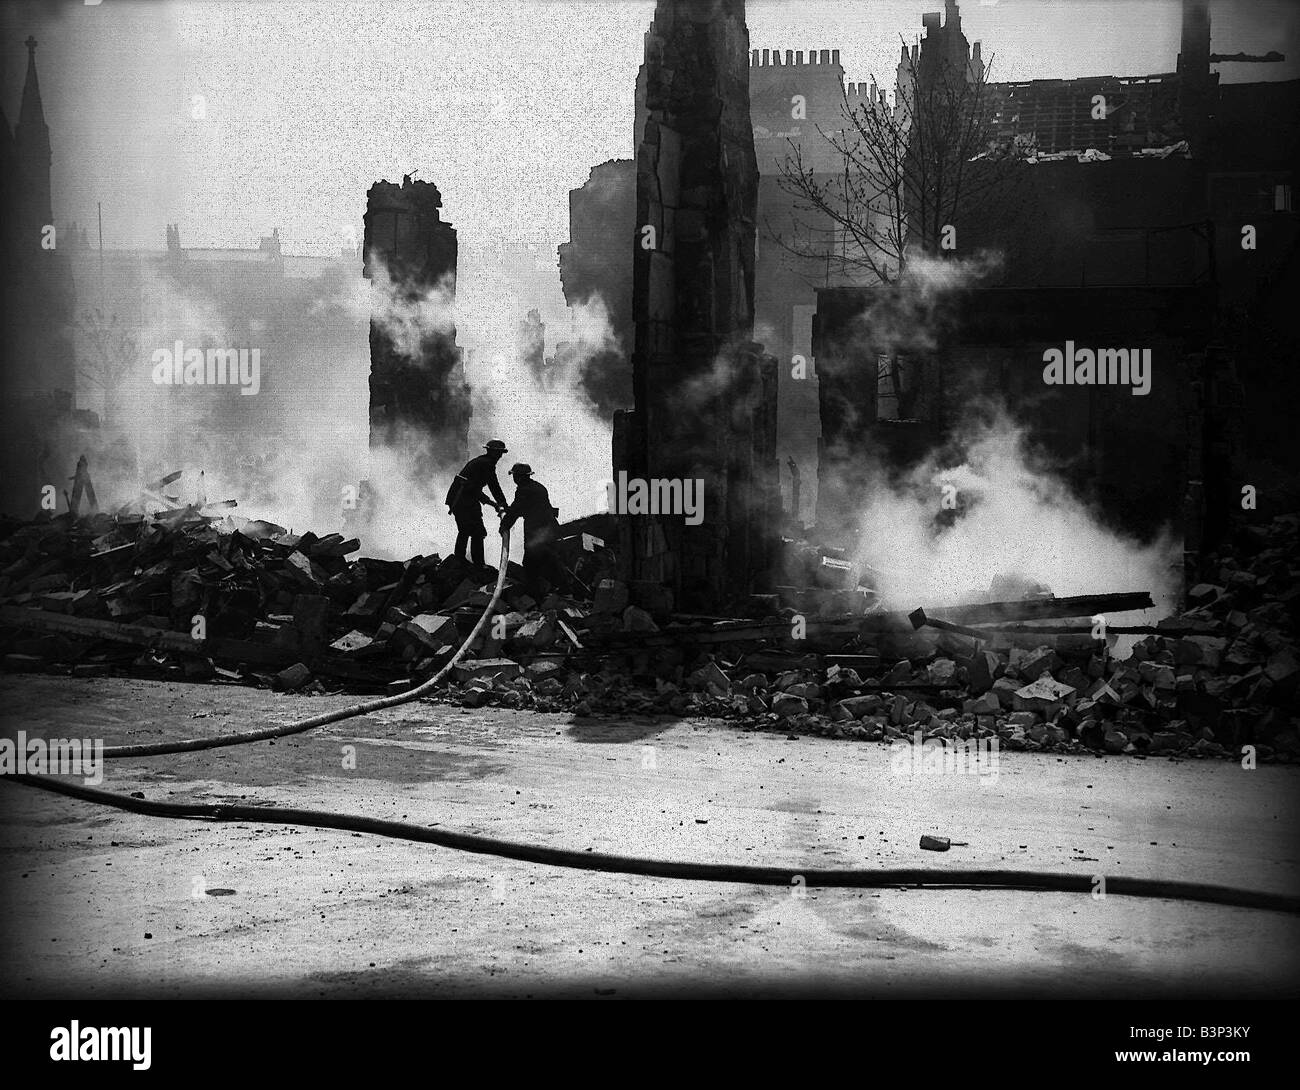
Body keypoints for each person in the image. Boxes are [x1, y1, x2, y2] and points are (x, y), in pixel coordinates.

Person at [499, 463, 570, 600]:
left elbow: (516, 509)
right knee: (549, 558)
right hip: (549, 528)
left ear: (519, 477)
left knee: (531, 562)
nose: (514, 478)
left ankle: (534, 594)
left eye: (514, 476)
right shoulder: (538, 487)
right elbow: (526, 507)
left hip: (537, 530)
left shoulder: (524, 490)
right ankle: (562, 588)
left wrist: (505, 525)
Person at [445, 439, 510, 569]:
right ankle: (475, 563)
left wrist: (502, 504)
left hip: (465, 499)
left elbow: (490, 486)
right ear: (491, 452)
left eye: (501, 453)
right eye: (498, 453)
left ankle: (464, 560)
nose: (500, 456)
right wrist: (496, 503)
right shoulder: (486, 464)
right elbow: (489, 487)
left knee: (470, 530)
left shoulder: (482, 462)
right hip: (462, 500)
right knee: (475, 531)